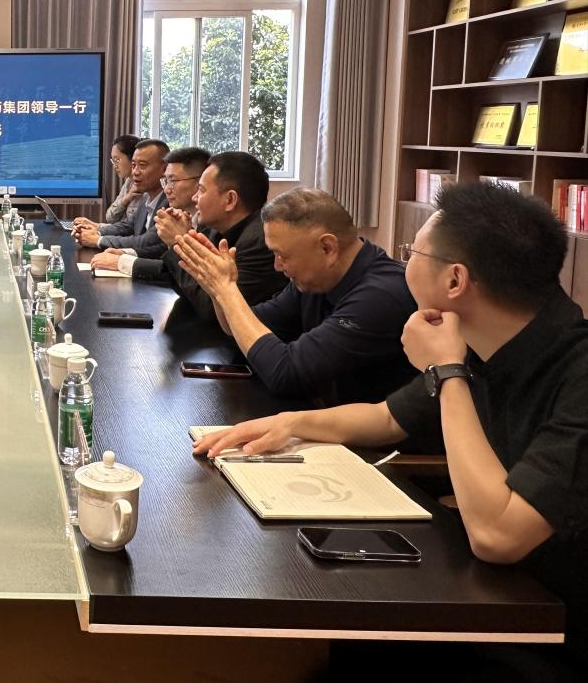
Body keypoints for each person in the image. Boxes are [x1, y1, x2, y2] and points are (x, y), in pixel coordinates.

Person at [193, 184, 588, 680]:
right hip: (491, 598)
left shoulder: (571, 372)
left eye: (412, 252)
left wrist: (447, 373)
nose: (403, 262)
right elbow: (386, 418)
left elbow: (498, 536)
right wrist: (289, 424)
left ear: (455, 279)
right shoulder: (484, 341)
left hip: (548, 632)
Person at [174, 187, 418, 405]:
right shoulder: (315, 279)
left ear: (327, 248)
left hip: (374, 441)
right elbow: (239, 328)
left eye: (283, 255)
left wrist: (226, 289)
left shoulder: (380, 296)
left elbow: (285, 374)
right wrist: (216, 289)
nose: (277, 266)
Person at [116, 151, 285, 323]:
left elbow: (211, 310)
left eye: (201, 190)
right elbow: (185, 287)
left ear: (230, 200)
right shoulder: (212, 228)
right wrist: (183, 241)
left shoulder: (259, 243)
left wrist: (179, 242)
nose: (195, 197)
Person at [89, 146, 209, 271]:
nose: (167, 189)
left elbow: (186, 272)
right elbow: (162, 250)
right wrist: (127, 254)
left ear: (199, 182)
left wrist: (123, 262)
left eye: (173, 181)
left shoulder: (211, 225)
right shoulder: (151, 199)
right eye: (166, 181)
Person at [71, 139, 169, 253]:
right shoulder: (146, 197)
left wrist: (98, 240)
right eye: (133, 165)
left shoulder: (170, 203)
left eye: (142, 165)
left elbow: (145, 242)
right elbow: (127, 226)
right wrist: (96, 231)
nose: (135, 172)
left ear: (164, 169)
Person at [104, 134, 143, 224]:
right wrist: (127, 198)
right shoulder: (129, 182)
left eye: (117, 160)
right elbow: (110, 217)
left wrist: (98, 227)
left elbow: (132, 228)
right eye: (113, 161)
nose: (115, 166)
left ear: (133, 157)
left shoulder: (145, 185)